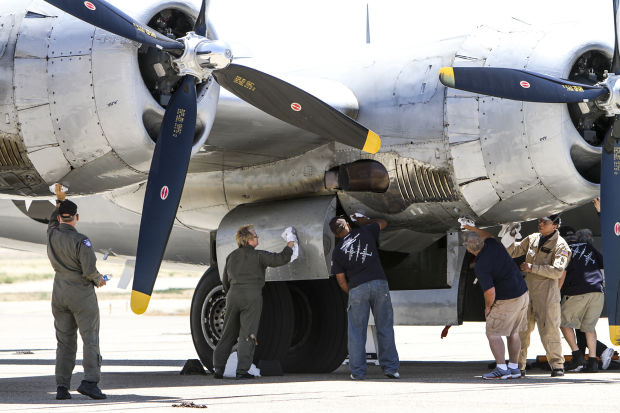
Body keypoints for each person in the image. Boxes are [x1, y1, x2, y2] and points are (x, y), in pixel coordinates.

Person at [47, 185, 107, 400]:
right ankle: (90, 382)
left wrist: (59, 200)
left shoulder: (52, 234)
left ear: (60, 218)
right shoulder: (82, 241)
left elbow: (53, 219)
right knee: (90, 338)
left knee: (64, 341)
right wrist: (99, 280)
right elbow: (89, 271)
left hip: (59, 292)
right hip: (81, 294)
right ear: (76, 217)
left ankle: (62, 387)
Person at [212, 225, 294, 379]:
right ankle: (242, 371)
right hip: (252, 296)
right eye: (255, 236)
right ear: (248, 239)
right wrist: (290, 245)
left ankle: (218, 368)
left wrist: (232, 292)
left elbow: (225, 280)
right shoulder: (258, 256)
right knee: (248, 334)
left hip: (233, 295)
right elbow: (280, 259)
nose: (258, 238)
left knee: (227, 333)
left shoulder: (231, 256)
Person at [330, 214, 400, 380]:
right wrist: (364, 221)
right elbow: (383, 222)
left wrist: (353, 291)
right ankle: (391, 368)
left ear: (335, 234)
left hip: (357, 287)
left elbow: (341, 281)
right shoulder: (366, 232)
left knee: (356, 332)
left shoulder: (338, 252)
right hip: (379, 283)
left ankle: (358, 372)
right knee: (385, 327)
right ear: (347, 224)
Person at [505, 214, 571, 377]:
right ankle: (518, 366)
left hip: (547, 293)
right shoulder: (533, 238)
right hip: (528, 291)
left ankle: (557, 365)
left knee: (549, 329)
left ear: (555, 226)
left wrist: (532, 267)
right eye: (540, 221)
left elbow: (557, 271)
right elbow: (513, 252)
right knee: (521, 330)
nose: (540, 224)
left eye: (545, 222)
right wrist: (509, 235)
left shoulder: (561, 245)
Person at [462, 225, 529, 380]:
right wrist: (471, 227)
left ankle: (501, 368)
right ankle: (514, 368)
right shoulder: (493, 244)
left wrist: (488, 307)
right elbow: (488, 234)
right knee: (514, 332)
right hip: (522, 293)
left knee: (493, 333)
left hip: (507, 299)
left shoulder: (481, 265)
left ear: (468, 249)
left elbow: (490, 291)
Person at [558, 225, 607, 372]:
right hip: (597, 292)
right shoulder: (588, 246)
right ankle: (592, 362)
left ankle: (577, 355)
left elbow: (562, 272)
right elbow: (604, 263)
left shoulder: (563, 249)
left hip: (576, 292)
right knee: (589, 327)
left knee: (562, 322)